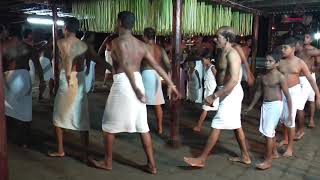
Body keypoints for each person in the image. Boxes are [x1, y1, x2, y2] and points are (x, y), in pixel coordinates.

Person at [88, 11, 179, 174]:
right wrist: (171, 84)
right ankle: (152, 165)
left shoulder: (117, 42)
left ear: (119, 22)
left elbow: (125, 63)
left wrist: (136, 89)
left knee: (108, 125)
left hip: (125, 83)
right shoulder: (141, 45)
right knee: (142, 126)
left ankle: (107, 162)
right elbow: (157, 66)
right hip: (137, 80)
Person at [184, 26, 251, 168]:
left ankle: (202, 159)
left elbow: (233, 80)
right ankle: (245, 156)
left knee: (217, 123)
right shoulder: (222, 51)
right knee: (236, 126)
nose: (215, 39)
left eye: (218, 37)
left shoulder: (232, 54)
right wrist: (216, 90)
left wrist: (214, 96)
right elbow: (220, 76)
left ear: (227, 39)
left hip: (231, 92)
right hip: (224, 90)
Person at [48, 17, 90, 162]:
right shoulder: (83, 44)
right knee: (82, 116)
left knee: (58, 116)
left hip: (68, 80)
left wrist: (65, 75)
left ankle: (60, 150)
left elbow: (64, 60)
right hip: (80, 80)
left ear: (65, 27)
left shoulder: (60, 42)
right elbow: (94, 58)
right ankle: (85, 154)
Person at [245, 50, 292, 170]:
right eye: (266, 60)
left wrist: (290, 114)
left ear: (277, 63)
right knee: (268, 132)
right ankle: (274, 152)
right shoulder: (263, 76)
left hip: (276, 105)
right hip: (265, 105)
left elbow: (287, 95)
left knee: (268, 133)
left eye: (270, 61)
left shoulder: (280, 77)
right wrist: (251, 106)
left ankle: (268, 160)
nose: (267, 63)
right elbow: (259, 92)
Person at [3, 24, 44, 147]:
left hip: (8, 77)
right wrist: (42, 80)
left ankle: (8, 137)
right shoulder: (28, 48)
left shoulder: (5, 47)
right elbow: (37, 65)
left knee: (7, 107)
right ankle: (25, 140)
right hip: (24, 77)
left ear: (10, 34)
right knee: (25, 108)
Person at [278, 38, 320, 157]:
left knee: (291, 119)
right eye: (282, 47)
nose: (282, 50)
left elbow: (311, 79)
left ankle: (290, 148)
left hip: (293, 92)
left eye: (285, 48)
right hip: (282, 92)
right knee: (283, 118)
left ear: (293, 48)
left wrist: (318, 95)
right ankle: (285, 139)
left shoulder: (299, 62)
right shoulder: (280, 61)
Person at [141, 27, 171, 135]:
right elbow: (168, 64)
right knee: (157, 104)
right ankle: (160, 128)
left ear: (145, 36)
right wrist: (167, 77)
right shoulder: (160, 48)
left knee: (142, 102)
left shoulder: (143, 47)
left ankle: (143, 126)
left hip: (145, 74)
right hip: (157, 75)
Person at [193, 49, 218, 132]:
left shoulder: (212, 68)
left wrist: (215, 94)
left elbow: (218, 80)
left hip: (212, 92)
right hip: (207, 91)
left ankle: (199, 126)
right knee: (209, 108)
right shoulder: (205, 67)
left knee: (205, 109)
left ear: (208, 59)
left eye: (203, 59)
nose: (202, 61)